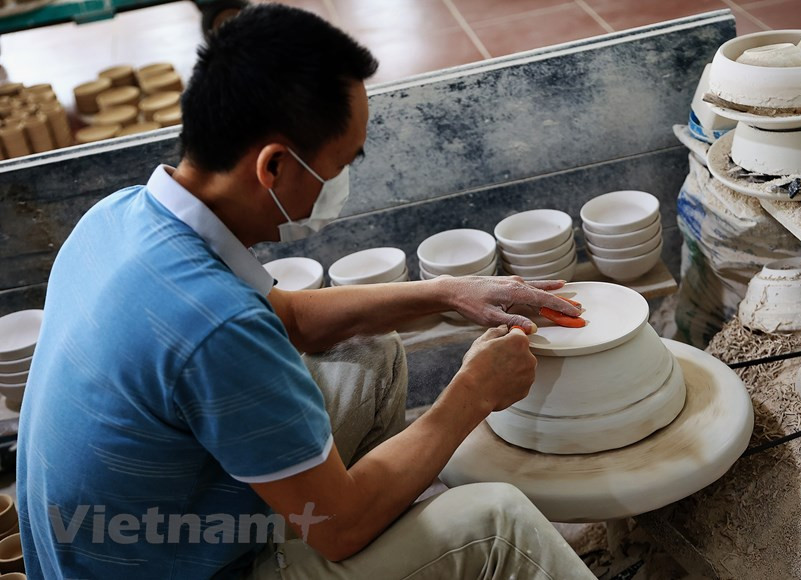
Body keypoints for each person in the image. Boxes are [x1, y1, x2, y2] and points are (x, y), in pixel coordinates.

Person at [18, 4, 595, 579]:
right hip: (188, 563)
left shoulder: (119, 215)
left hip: (134, 534)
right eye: (341, 165)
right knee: (499, 523)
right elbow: (336, 524)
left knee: (369, 353)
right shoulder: (215, 327)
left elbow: (289, 318)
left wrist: (446, 292)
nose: (341, 185)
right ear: (272, 167)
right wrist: (473, 393)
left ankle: (401, 539)